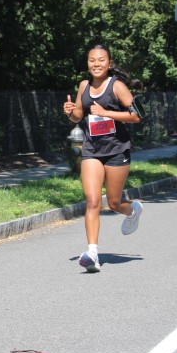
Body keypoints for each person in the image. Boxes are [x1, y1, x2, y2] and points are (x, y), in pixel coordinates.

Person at [62, 44, 143, 273]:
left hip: (117, 150)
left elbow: (136, 116)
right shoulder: (84, 86)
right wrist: (70, 112)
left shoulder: (117, 86)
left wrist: (106, 112)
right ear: (87, 64)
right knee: (93, 200)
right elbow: (79, 115)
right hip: (92, 150)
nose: (96, 64)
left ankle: (133, 210)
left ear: (109, 63)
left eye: (101, 60)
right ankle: (92, 253)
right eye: (92, 60)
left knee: (114, 203)